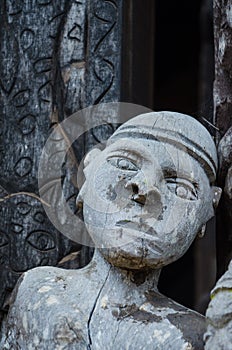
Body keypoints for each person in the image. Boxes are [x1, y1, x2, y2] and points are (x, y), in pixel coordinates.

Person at [1, 112, 221, 349]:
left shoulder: (195, 337)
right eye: (124, 165)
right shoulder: (37, 293)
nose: (146, 190)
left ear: (208, 209)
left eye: (179, 187)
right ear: (88, 173)